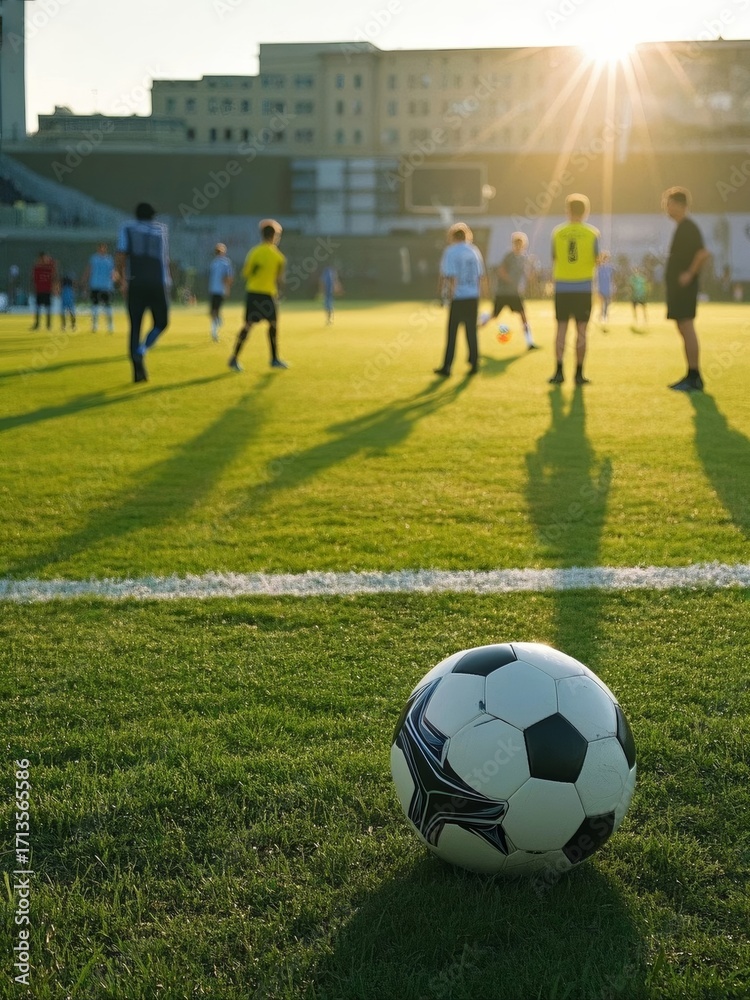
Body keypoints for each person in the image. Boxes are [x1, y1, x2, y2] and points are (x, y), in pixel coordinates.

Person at [114, 202, 171, 384]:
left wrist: (122, 281)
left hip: (136, 282)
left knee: (135, 327)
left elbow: (121, 255)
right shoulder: (161, 230)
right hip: (157, 282)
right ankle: (144, 348)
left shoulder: (128, 228)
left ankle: (138, 371)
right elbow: (164, 258)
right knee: (161, 322)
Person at [548, 193, 600, 385]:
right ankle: (579, 374)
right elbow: (597, 259)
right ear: (586, 211)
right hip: (583, 287)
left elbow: (554, 258)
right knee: (581, 331)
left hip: (562, 287)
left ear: (567, 210)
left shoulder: (557, 232)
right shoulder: (593, 233)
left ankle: (559, 372)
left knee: (561, 329)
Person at [663, 186, 709, 392]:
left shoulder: (688, 227)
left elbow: (702, 253)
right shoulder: (682, 227)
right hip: (678, 289)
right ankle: (691, 374)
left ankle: (694, 375)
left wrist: (689, 274)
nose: (666, 208)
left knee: (687, 327)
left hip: (685, 289)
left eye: (669, 203)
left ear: (680, 205)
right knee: (683, 328)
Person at [229, 219, 288, 372]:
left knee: (248, 325)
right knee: (273, 325)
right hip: (268, 295)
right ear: (274, 236)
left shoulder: (254, 252)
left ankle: (234, 358)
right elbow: (280, 279)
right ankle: (274, 359)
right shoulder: (278, 257)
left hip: (253, 294)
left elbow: (246, 273)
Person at [434, 223, 488, 376]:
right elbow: (481, 276)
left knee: (452, 332)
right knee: (472, 331)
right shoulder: (474, 250)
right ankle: (474, 363)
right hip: (473, 296)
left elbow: (450, 277)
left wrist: (445, 296)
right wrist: (482, 295)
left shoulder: (451, 251)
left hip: (458, 297)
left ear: (452, 236)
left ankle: (447, 366)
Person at [481, 232, 538, 349]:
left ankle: (529, 342)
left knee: (523, 316)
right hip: (503, 293)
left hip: (514, 294)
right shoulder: (509, 256)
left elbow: (526, 274)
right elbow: (501, 271)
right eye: (516, 243)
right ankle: (479, 323)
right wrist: (511, 280)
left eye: (520, 244)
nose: (518, 246)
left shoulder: (524, 258)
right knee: (494, 315)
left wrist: (530, 277)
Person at [82, 243, 115, 333]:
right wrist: (85, 281)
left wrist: (115, 280)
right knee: (94, 306)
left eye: (103, 248)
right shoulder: (94, 259)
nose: (102, 250)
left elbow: (112, 273)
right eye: (100, 248)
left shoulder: (109, 259)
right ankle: (94, 326)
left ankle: (110, 326)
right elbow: (89, 270)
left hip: (106, 287)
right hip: (95, 285)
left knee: (107, 306)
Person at [208, 243, 234, 342]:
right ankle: (218, 321)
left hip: (219, 290)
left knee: (215, 310)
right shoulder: (214, 263)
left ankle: (214, 332)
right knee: (213, 311)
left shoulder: (225, 263)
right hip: (214, 289)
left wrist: (227, 288)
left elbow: (228, 277)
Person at [30, 251, 58, 330]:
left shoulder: (49, 267)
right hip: (39, 290)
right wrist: (33, 289)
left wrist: (54, 288)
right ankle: (37, 324)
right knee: (38, 307)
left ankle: (48, 324)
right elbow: (33, 279)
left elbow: (54, 275)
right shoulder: (37, 267)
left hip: (47, 290)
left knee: (48, 307)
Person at [595, 250, 615, 327]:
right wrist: (597, 289)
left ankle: (604, 315)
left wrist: (613, 287)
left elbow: (611, 279)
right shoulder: (599, 268)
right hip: (601, 288)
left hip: (608, 288)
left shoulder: (610, 268)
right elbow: (597, 279)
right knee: (602, 303)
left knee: (607, 303)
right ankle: (602, 316)